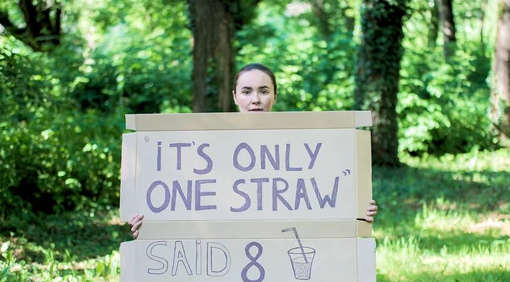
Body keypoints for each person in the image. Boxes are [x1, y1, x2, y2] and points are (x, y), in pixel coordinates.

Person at [128, 63, 378, 238]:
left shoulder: (300, 146)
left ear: (275, 96)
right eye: (246, 92)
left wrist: (356, 213)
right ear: (235, 97)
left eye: (263, 91)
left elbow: (316, 196)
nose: (255, 99)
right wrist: (150, 226)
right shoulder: (210, 145)